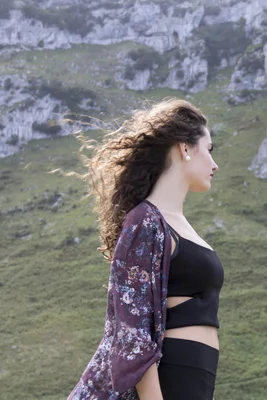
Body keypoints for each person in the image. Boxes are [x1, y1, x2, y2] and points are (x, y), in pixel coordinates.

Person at [68, 98, 223, 400]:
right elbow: (132, 333)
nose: (215, 164)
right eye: (209, 149)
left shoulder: (181, 225)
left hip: (196, 373)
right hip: (168, 376)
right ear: (185, 148)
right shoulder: (145, 221)